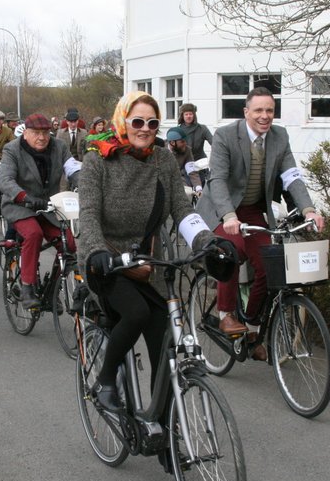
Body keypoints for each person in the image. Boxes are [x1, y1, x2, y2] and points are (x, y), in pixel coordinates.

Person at [78, 91, 236, 412]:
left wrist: (206, 241)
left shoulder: (162, 159)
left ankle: (164, 435)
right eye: (137, 121)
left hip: (149, 264)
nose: (145, 128)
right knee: (135, 312)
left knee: (164, 350)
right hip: (107, 260)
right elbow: (89, 214)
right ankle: (106, 380)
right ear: (123, 121)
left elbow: (181, 208)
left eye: (152, 122)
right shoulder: (98, 158)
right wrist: (97, 252)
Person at [196, 87, 324, 361]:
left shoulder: (279, 137)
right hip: (223, 209)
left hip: (253, 209)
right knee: (231, 251)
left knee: (270, 264)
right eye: (258, 110)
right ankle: (226, 313)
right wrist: (229, 216)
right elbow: (217, 180)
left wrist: (309, 209)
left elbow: (291, 176)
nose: (265, 116)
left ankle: (253, 328)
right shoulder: (226, 135)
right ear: (246, 112)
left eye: (269, 111)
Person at [0, 113, 82, 308]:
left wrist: (83, 184)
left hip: (48, 206)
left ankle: (52, 291)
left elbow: (72, 169)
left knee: (68, 243)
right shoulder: (12, 149)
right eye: (36, 133)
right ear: (25, 132)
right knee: (33, 234)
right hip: (19, 205)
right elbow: (5, 180)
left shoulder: (59, 147)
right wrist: (24, 197)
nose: (42, 137)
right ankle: (27, 286)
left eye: (45, 132)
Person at [166, 126, 202, 194]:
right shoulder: (160, 149)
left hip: (179, 181)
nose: (185, 143)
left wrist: (198, 188)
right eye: (182, 141)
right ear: (172, 143)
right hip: (163, 182)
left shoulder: (187, 150)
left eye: (185, 141)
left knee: (187, 194)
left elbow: (192, 171)